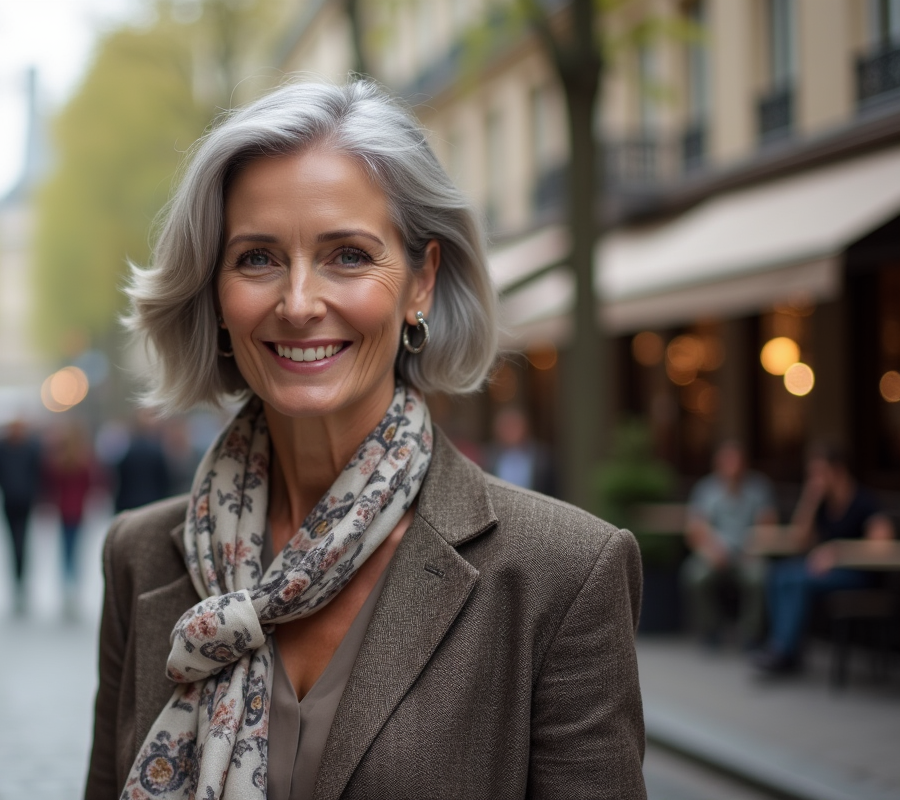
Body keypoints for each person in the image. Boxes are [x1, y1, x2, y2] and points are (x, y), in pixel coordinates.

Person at [85, 82, 645, 800]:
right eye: (256, 258)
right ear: (216, 296)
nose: (296, 302)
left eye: (347, 255)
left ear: (421, 282)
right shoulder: (138, 556)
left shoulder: (561, 575)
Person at [755, 445, 895, 675]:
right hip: (825, 573)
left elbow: (881, 541)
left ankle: (783, 653)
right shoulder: (823, 504)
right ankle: (782, 648)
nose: (814, 479)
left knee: (797, 581)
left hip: (858, 576)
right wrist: (809, 500)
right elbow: (798, 540)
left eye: (819, 473)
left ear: (837, 470)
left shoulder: (863, 501)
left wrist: (838, 552)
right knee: (780, 574)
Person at [682, 440, 775, 648]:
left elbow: (767, 525)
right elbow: (695, 530)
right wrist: (711, 550)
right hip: (715, 554)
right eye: (727, 462)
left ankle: (750, 633)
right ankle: (710, 629)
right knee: (695, 575)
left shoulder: (758, 488)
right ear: (718, 464)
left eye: (737, 462)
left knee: (759, 577)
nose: (732, 467)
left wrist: (753, 549)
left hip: (748, 554)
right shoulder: (706, 489)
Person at [0, 418, 43, 615]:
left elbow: (38, 472)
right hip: (8, 502)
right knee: (12, 543)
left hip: (25, 502)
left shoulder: (31, 449)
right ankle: (16, 581)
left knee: (22, 543)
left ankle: (22, 581)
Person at [43, 423, 96, 619]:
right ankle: (74, 587)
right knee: (76, 550)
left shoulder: (58, 460)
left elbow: (50, 483)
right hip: (78, 511)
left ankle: (66, 587)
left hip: (64, 510)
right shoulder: (85, 460)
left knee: (65, 550)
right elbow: (93, 483)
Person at [111, 408, 171, 513]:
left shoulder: (127, 451)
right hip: (153, 505)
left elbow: (120, 481)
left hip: (129, 505)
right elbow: (165, 482)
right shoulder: (157, 451)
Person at [487, 406, 555, 496]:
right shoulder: (488, 457)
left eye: (514, 426)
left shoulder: (542, 458)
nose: (510, 431)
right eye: (505, 427)